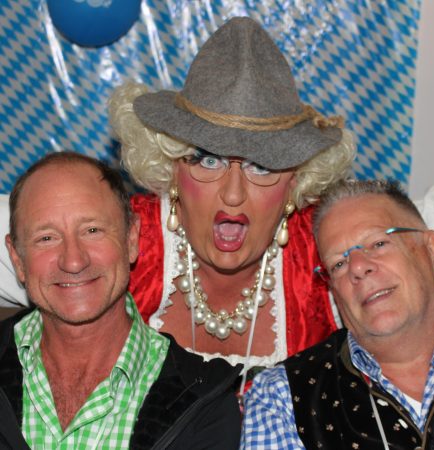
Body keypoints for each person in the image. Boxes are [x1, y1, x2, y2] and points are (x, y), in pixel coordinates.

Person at [108, 16, 355, 379]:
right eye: (208, 160)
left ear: (295, 183)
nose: (233, 193)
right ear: (172, 169)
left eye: (262, 166)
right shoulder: (121, 240)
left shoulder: (327, 255)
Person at [1, 152, 241, 449]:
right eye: (46, 238)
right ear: (17, 259)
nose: (73, 261)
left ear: (131, 239)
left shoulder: (203, 405)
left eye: (92, 230)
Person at [242, 179, 434, 449]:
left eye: (378, 243)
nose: (358, 267)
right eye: (339, 264)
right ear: (333, 292)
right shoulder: (282, 396)